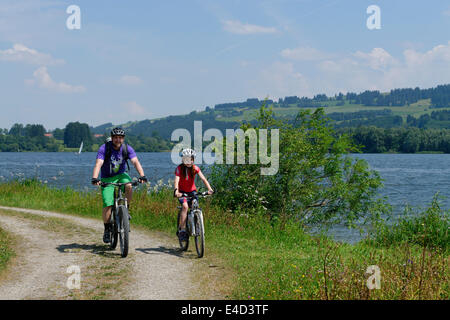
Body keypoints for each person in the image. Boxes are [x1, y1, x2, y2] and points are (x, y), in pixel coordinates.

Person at [91, 127, 147, 243]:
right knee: (108, 204)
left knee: (129, 186)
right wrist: (95, 178)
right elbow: (98, 163)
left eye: (120, 138)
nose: (118, 140)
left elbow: (135, 161)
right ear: (112, 138)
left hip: (121, 175)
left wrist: (142, 175)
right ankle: (107, 230)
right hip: (107, 177)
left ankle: (126, 209)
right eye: (115, 138)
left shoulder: (127, 148)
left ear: (123, 139)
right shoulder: (104, 148)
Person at [174, 148, 214, 241]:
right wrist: (176, 191)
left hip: (192, 191)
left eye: (190, 159)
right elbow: (176, 180)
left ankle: (196, 224)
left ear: (193, 160)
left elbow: (203, 179)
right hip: (182, 192)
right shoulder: (179, 169)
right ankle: (183, 230)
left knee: (195, 205)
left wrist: (209, 189)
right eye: (186, 159)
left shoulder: (195, 168)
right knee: (185, 207)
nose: (188, 161)